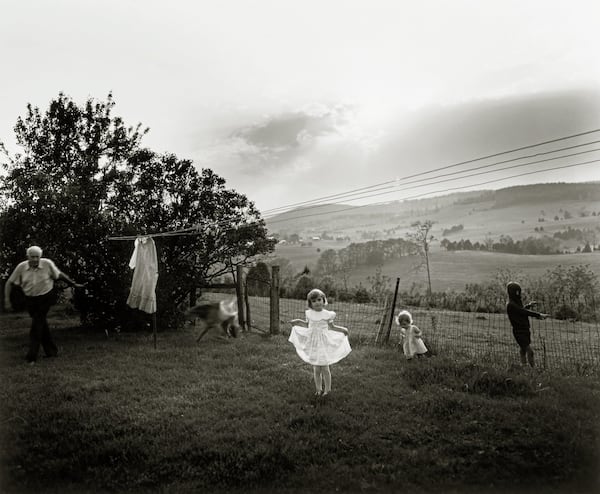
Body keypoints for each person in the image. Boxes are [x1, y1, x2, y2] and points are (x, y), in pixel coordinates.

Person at [4, 246, 85, 364]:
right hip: (30, 299)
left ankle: (31, 357)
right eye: (33, 257)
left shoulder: (47, 264)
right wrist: (7, 300)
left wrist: (73, 284)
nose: (35, 259)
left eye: (38, 257)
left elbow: (59, 275)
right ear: (28, 257)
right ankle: (51, 351)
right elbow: (9, 283)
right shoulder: (21, 267)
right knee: (41, 324)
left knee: (36, 326)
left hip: (45, 297)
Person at [288, 289, 351, 397]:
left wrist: (343, 330)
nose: (317, 302)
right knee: (316, 368)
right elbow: (307, 325)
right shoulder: (309, 313)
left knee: (325, 368)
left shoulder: (327, 314)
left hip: (324, 342)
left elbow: (332, 327)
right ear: (310, 303)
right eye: (314, 301)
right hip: (313, 343)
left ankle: (327, 390)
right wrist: (298, 321)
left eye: (319, 299)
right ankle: (318, 389)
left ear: (323, 300)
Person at [506, 282, 548, 368]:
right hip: (519, 331)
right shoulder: (511, 304)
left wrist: (528, 306)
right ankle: (533, 368)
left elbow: (521, 311)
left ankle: (523, 366)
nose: (519, 293)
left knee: (523, 349)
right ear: (514, 292)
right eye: (517, 291)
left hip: (524, 329)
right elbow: (523, 312)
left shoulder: (515, 303)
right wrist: (538, 315)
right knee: (530, 351)